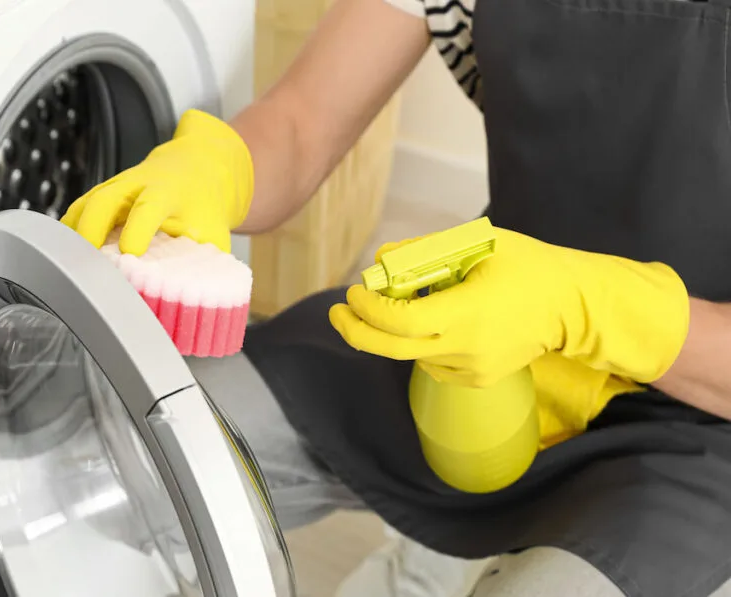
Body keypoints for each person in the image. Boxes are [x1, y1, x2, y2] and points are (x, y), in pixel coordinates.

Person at [61, 0, 731, 594]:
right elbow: (301, 121)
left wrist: (582, 305)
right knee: (118, 455)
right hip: (478, 339)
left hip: (703, 413)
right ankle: (432, 558)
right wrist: (219, 168)